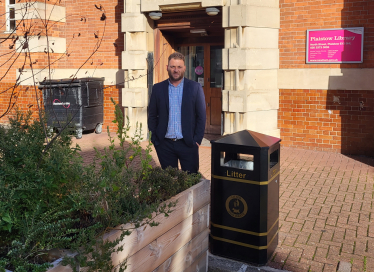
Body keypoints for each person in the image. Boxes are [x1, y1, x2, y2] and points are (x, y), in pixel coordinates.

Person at [148, 52, 206, 174]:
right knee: (170, 181)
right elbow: (152, 114)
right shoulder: (158, 88)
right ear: (167, 67)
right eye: (173, 66)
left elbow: (201, 116)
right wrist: (155, 138)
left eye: (179, 67)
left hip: (188, 143)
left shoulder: (195, 88)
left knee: (191, 180)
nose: (176, 70)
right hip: (164, 144)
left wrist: (197, 140)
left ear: (184, 68)